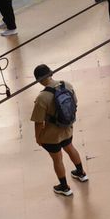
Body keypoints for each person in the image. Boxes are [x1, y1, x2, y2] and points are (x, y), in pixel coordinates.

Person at [30, 65, 88, 197]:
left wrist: (38, 137)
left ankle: (64, 187)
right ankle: (81, 173)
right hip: (67, 128)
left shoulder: (42, 98)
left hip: (51, 136)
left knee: (57, 159)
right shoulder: (67, 85)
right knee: (70, 147)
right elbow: (75, 103)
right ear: (51, 73)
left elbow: (39, 122)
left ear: (38, 80)